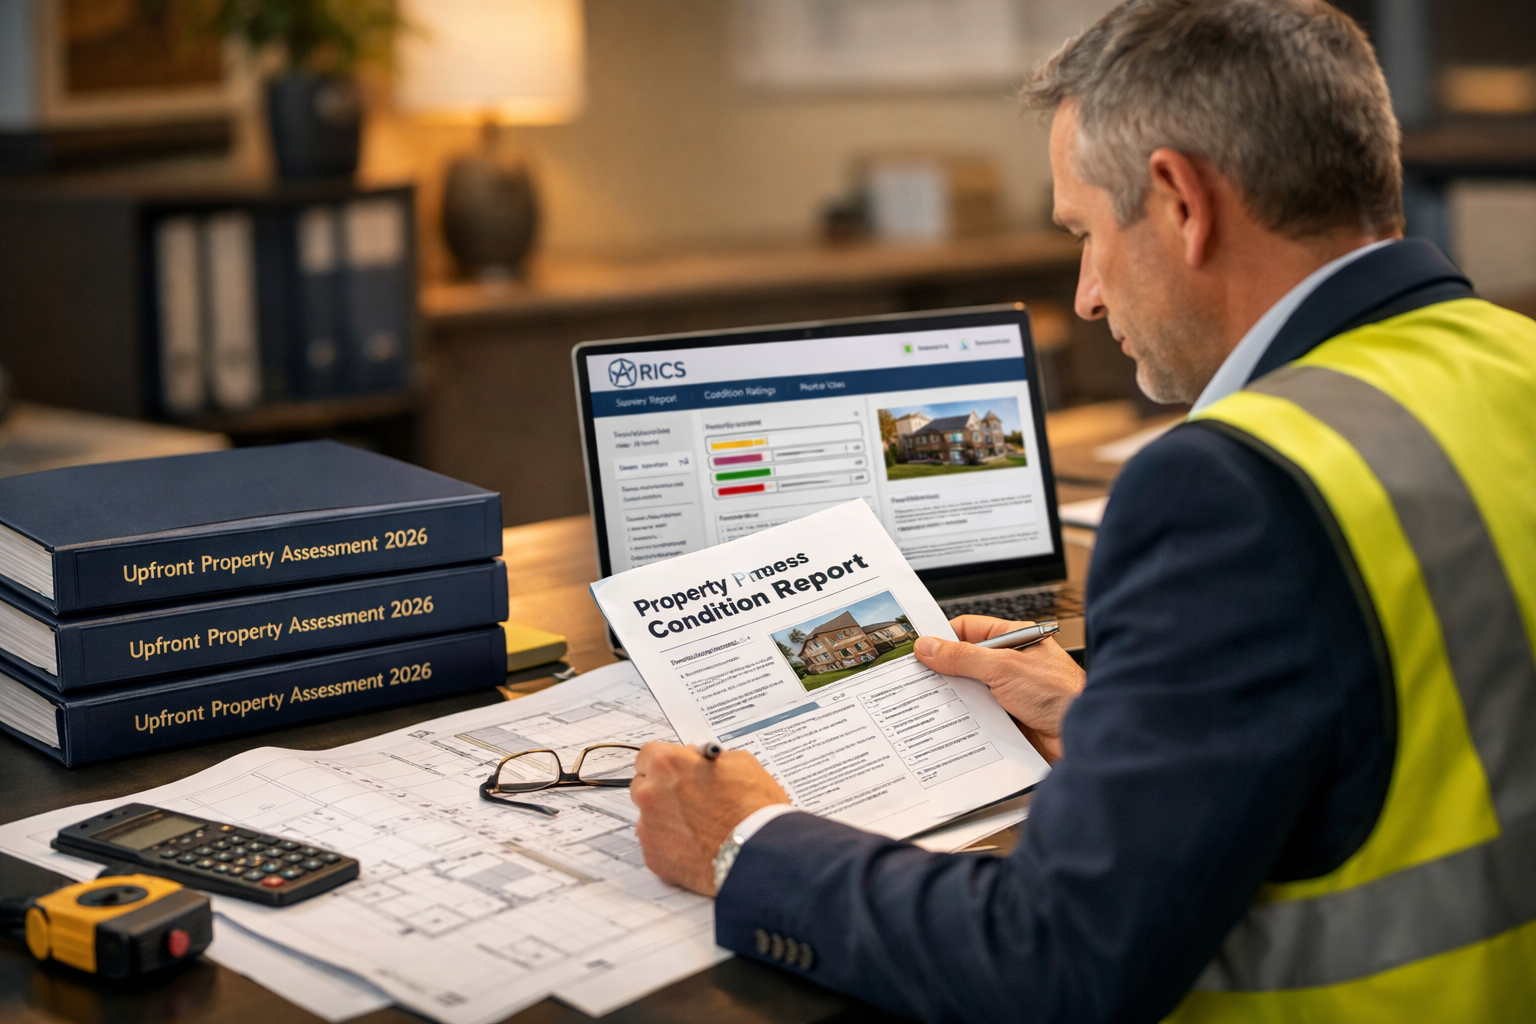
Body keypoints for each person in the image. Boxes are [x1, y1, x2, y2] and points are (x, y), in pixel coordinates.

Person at [629, 1, 1536, 1020]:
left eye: (1087, 234)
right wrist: (1122, 718)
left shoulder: (1230, 488)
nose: (1088, 295)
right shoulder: (1516, 361)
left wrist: (746, 844)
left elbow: (1052, 962)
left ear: (1181, 202)